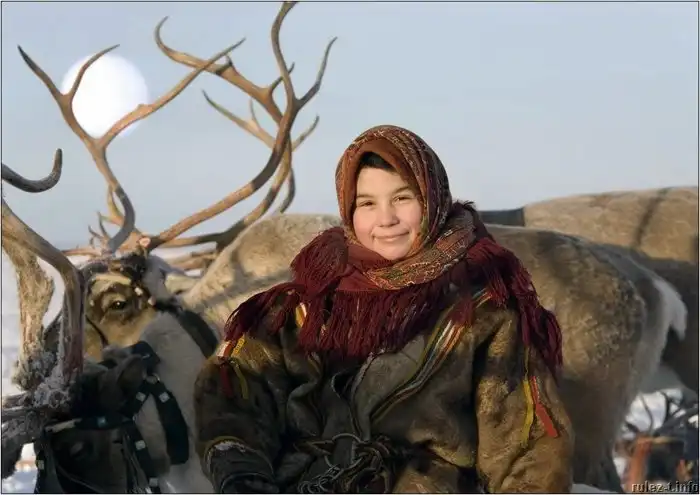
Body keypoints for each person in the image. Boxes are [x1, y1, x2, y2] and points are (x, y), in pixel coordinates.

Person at [193, 124, 574, 493]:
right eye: (367, 203)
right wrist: (243, 474)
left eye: (402, 198)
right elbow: (235, 392)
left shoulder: (484, 312)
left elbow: (528, 445)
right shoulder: (300, 306)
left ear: (432, 199)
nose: (386, 219)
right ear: (348, 210)